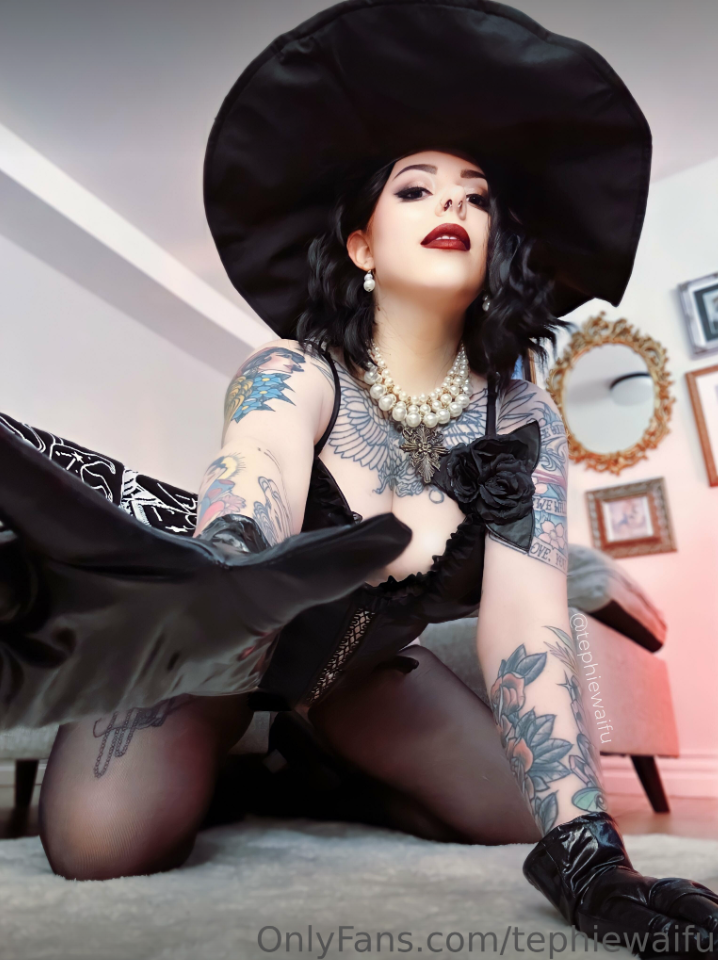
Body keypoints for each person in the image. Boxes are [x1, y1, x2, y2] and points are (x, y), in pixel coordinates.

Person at [3, 1, 717, 955]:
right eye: (415, 190)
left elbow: (528, 627)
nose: (454, 207)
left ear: (498, 245)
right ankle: (239, 761)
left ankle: (316, 760)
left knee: (525, 821)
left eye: (477, 198)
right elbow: (250, 489)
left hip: (360, 676)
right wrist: (294, 549)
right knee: (100, 850)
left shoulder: (524, 420)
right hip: (216, 654)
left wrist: (589, 853)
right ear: (362, 246)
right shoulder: (292, 373)